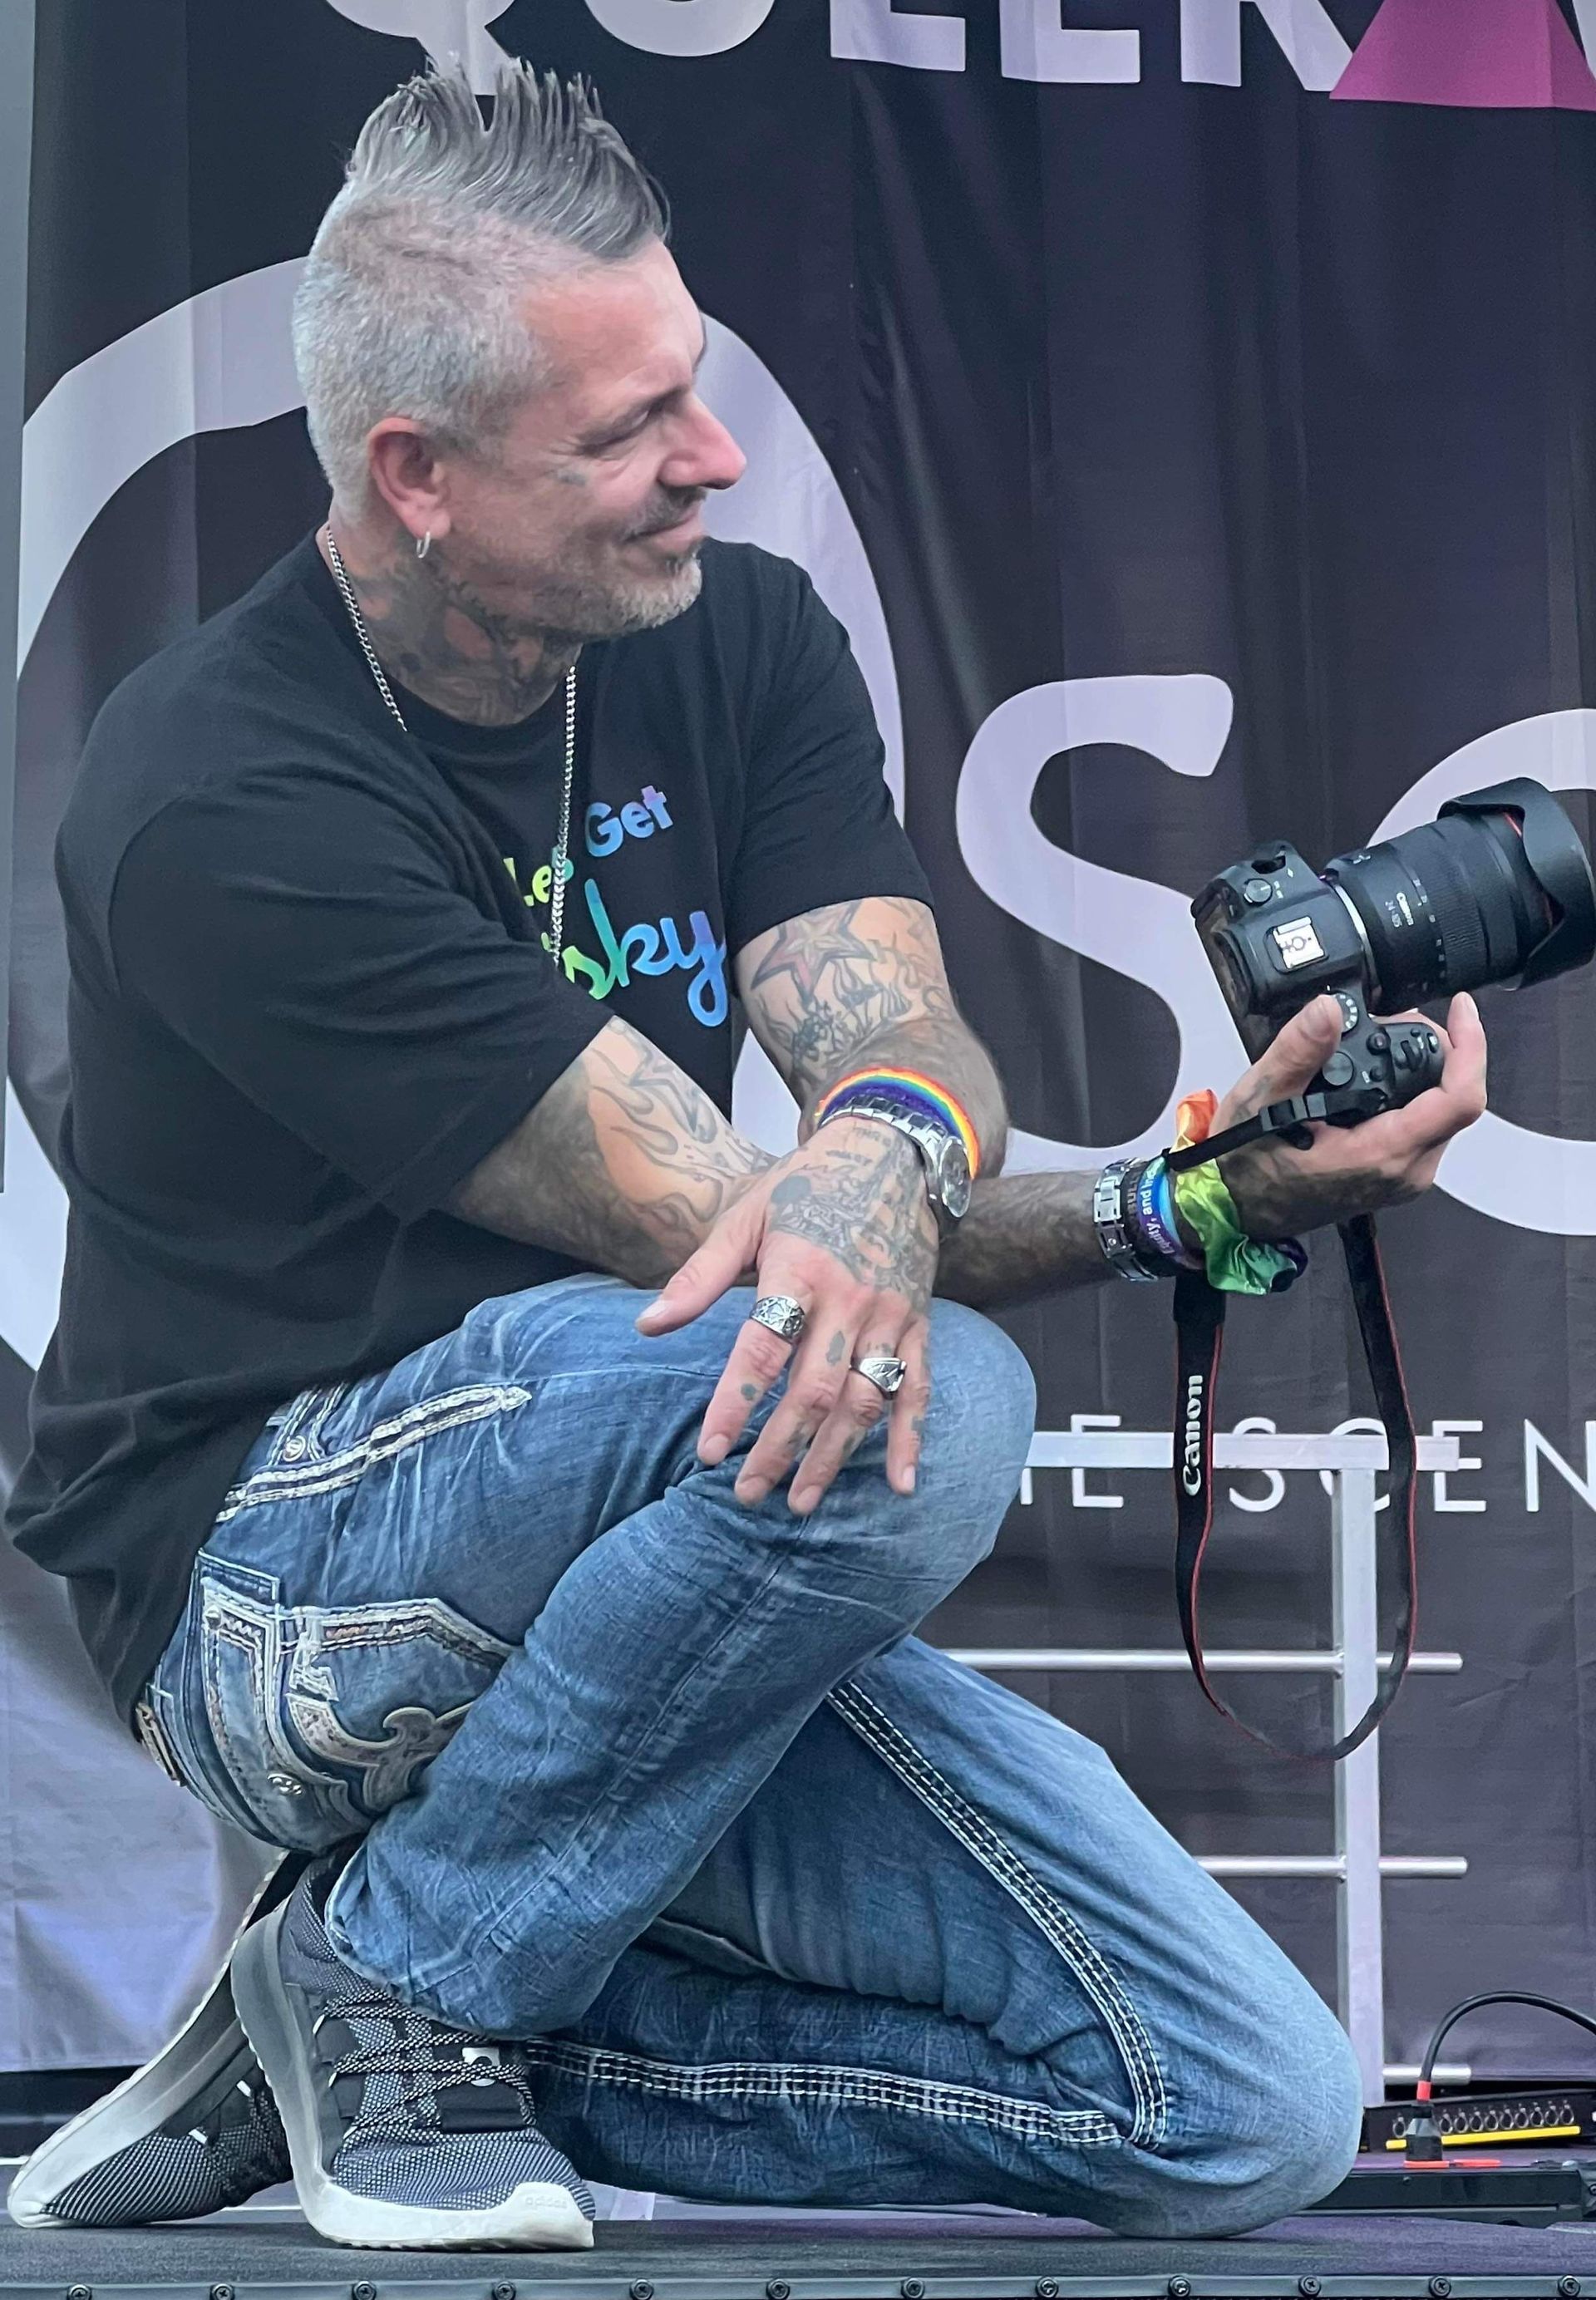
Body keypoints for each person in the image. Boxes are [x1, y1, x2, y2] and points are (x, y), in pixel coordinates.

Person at [5, 65, 1487, 2255]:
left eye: (691, 386)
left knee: (1243, 2114)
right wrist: (890, 1193)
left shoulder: (736, 638)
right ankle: (395, 1980)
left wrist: (1197, 1203)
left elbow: (891, 1057)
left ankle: (389, 2004)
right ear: (414, 473)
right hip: (271, 1586)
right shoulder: (226, 790)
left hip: (651, 1554)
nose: (709, 455)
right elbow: (757, 1242)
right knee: (923, 1392)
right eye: (626, 431)